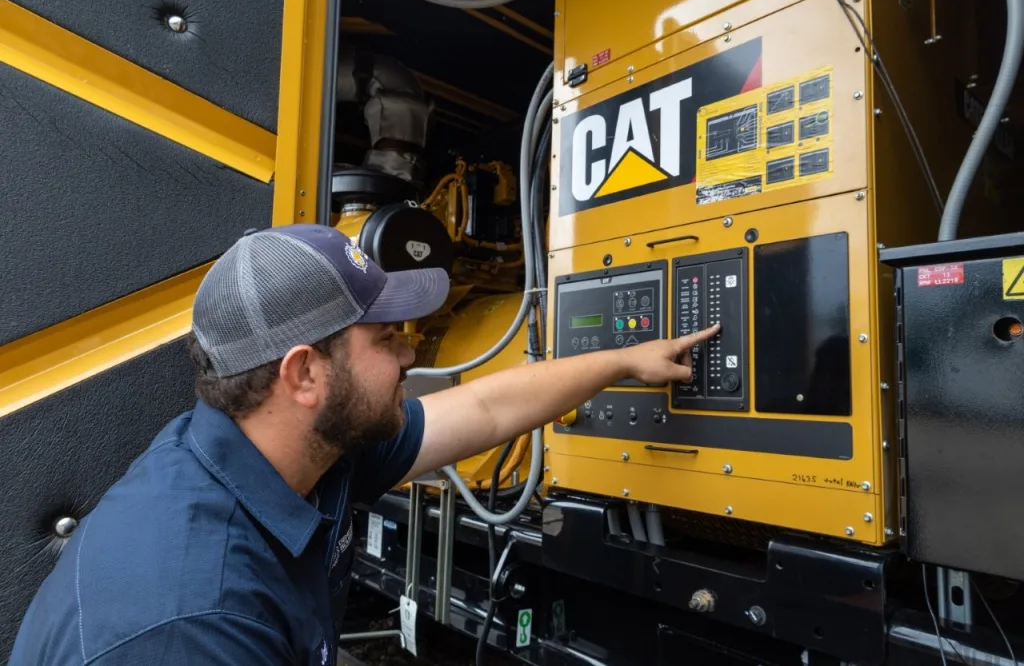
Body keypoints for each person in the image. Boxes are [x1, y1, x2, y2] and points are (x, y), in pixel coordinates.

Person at [9, 223, 719, 665]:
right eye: (385, 339)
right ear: (305, 374)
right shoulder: (191, 623)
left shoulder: (301, 453)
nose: (410, 353)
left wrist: (623, 361)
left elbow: (485, 407)